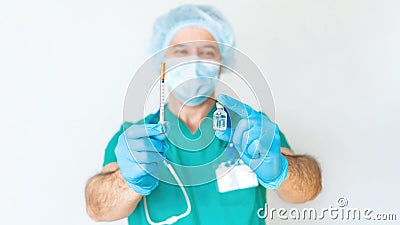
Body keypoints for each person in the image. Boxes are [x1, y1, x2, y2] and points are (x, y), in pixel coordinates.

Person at [85, 4, 322, 225]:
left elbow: (309, 188)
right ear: (162, 62)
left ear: (221, 62)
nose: (193, 61)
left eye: (207, 52)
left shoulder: (250, 128)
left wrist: (280, 168)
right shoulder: (135, 138)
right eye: (181, 51)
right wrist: (128, 180)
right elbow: (97, 208)